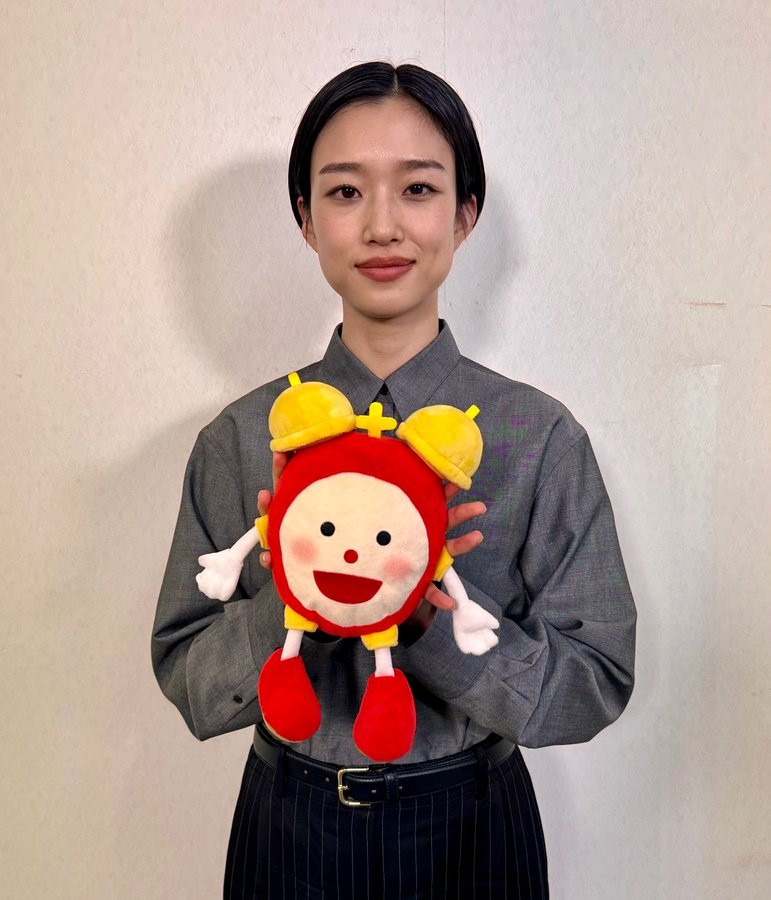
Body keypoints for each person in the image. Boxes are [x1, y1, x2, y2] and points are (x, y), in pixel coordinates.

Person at [152, 61, 636, 899]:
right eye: (344, 192)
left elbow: (591, 685)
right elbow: (189, 680)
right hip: (287, 826)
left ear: (464, 213)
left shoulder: (536, 436)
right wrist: (299, 594)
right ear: (306, 220)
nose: (382, 226)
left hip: (474, 827)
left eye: (417, 189)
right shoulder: (240, 438)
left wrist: (426, 625)